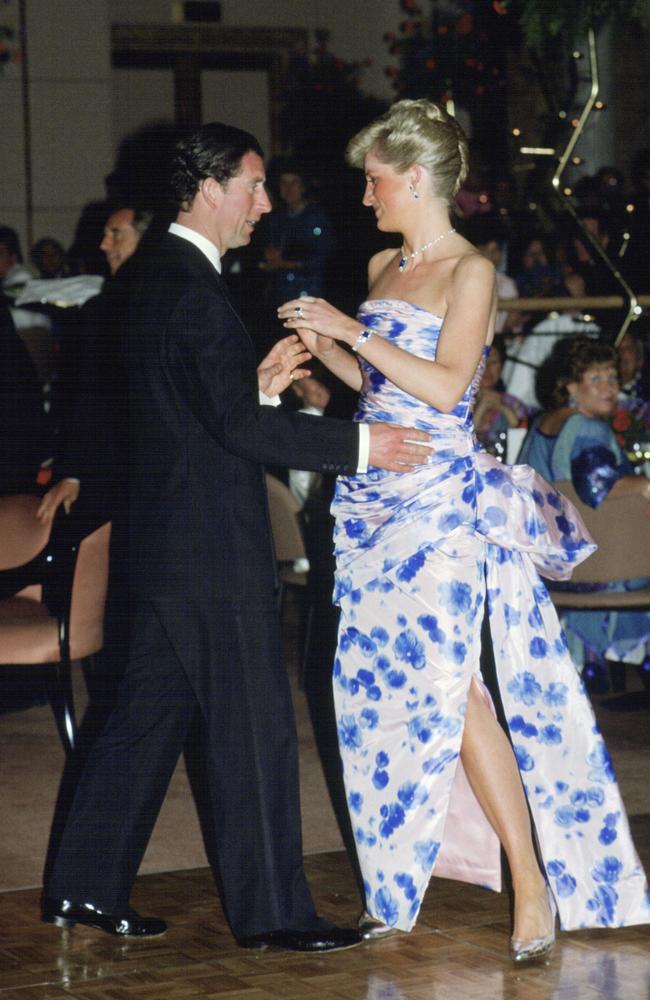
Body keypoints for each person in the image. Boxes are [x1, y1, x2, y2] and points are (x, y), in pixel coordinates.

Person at [40, 122, 432, 950]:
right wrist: (367, 445)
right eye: (252, 187)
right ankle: (277, 917)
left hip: (165, 546)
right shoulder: (192, 289)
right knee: (254, 734)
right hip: (211, 553)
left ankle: (80, 889)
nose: (264, 203)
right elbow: (232, 430)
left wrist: (249, 388)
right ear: (210, 189)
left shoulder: (155, 277)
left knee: (138, 728)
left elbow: (192, 415)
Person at [278, 99, 649, 962]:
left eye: (373, 180)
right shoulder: (377, 261)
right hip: (370, 503)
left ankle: (530, 878)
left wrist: (350, 335)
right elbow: (375, 389)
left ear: (414, 179)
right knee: (373, 698)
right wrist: (317, 350)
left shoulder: (471, 271)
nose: (364, 196)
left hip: (440, 509)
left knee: (460, 693)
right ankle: (397, 878)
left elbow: (447, 389)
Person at [519, 336, 650, 686]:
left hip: (557, 569)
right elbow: (597, 489)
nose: (610, 388)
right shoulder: (588, 427)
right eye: (597, 379)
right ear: (571, 387)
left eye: (612, 377)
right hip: (608, 572)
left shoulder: (543, 424)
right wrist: (643, 483)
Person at [473, 337, 528, 459]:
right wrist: (482, 407)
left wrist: (502, 407)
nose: (486, 368)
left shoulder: (514, 404)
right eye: (481, 362)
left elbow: (521, 439)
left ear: (501, 367)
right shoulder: (460, 404)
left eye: (492, 362)